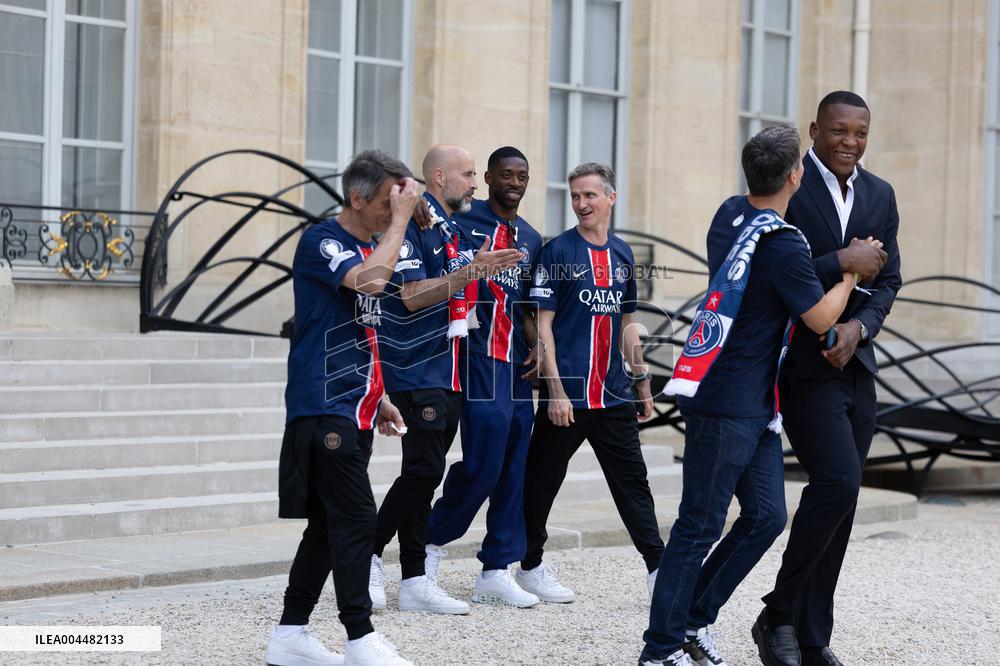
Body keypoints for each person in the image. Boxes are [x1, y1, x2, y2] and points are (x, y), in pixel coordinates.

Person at [639, 127, 869, 666]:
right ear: (795, 176)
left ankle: (691, 620)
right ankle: (659, 649)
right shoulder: (784, 241)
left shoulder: (730, 216)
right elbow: (818, 318)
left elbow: (779, 277)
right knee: (698, 525)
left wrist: (832, 263)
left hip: (751, 401)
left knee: (766, 516)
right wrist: (851, 271)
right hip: (729, 402)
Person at [755, 91, 900, 666]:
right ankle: (778, 614)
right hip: (800, 363)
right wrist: (841, 259)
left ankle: (813, 637)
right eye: (839, 131)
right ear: (816, 130)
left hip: (856, 366)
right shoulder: (792, 186)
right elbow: (771, 264)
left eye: (860, 133)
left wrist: (859, 330)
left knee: (842, 502)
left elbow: (889, 280)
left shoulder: (881, 194)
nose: (850, 143)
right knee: (837, 482)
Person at [266, 150, 419, 666]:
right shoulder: (321, 241)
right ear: (357, 197)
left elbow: (362, 331)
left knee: (330, 525)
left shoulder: (370, 246)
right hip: (322, 405)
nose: (390, 212)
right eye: (384, 202)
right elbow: (372, 284)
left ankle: (289, 635)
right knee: (356, 519)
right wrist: (401, 222)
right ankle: (361, 638)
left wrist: (380, 398)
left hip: (353, 406)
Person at [368, 144, 523, 615]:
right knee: (424, 471)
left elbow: (454, 285)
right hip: (417, 366)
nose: (476, 183)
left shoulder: (449, 227)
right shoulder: (415, 221)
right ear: (439, 176)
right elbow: (413, 296)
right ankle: (365, 554)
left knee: (426, 471)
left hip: (448, 366)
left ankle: (414, 579)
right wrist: (472, 271)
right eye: (469, 174)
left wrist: (475, 268)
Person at [520, 162, 664, 603]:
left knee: (633, 484)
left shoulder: (622, 255)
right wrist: (555, 392)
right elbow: (543, 327)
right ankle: (528, 565)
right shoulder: (557, 252)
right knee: (541, 483)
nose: (581, 204)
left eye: (590, 196)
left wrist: (641, 382)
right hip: (569, 397)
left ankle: (659, 570)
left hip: (614, 394)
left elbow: (627, 323)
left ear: (610, 198)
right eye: (575, 196)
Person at [421, 146, 545, 608]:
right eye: (505, 175)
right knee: (484, 464)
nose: (514, 183)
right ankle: (428, 544)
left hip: (515, 365)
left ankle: (497, 568)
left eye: (522, 176)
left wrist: (538, 345)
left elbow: (531, 305)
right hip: (476, 356)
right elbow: (427, 213)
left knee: (515, 465)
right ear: (490, 178)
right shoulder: (462, 222)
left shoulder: (531, 237)